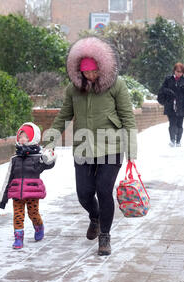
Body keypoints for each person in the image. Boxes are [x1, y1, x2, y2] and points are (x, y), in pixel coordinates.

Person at [48, 36, 137, 256]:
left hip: (111, 147)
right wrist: (48, 141)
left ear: (102, 67)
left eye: (93, 71)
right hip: (83, 147)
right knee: (84, 193)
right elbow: (64, 116)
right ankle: (94, 217)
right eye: (85, 72)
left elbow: (128, 117)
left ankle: (105, 236)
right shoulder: (74, 89)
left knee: (104, 190)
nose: (89, 75)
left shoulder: (116, 85)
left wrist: (132, 152)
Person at [0, 122, 56, 249]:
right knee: (18, 215)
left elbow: (48, 165)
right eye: (21, 136)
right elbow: (9, 177)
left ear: (32, 138)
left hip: (32, 191)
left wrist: (50, 157)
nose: (22, 139)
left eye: (26, 136)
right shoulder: (15, 158)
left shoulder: (37, 157)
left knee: (33, 213)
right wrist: (3, 198)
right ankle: (18, 238)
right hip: (17, 192)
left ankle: (39, 226)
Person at [157, 62, 184, 147]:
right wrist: (168, 91)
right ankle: (172, 139)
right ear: (174, 71)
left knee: (179, 124)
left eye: (181, 72)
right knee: (172, 123)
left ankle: (178, 141)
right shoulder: (168, 79)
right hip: (170, 105)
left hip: (181, 105)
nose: (179, 73)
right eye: (177, 71)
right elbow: (162, 89)